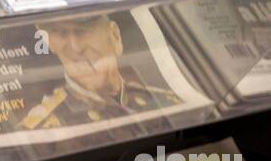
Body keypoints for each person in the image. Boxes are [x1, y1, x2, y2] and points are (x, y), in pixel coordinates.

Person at [22, 14, 181, 128]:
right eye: (60, 33)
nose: (76, 48)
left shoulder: (166, 100)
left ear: (115, 36)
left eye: (83, 30)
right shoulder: (43, 126)